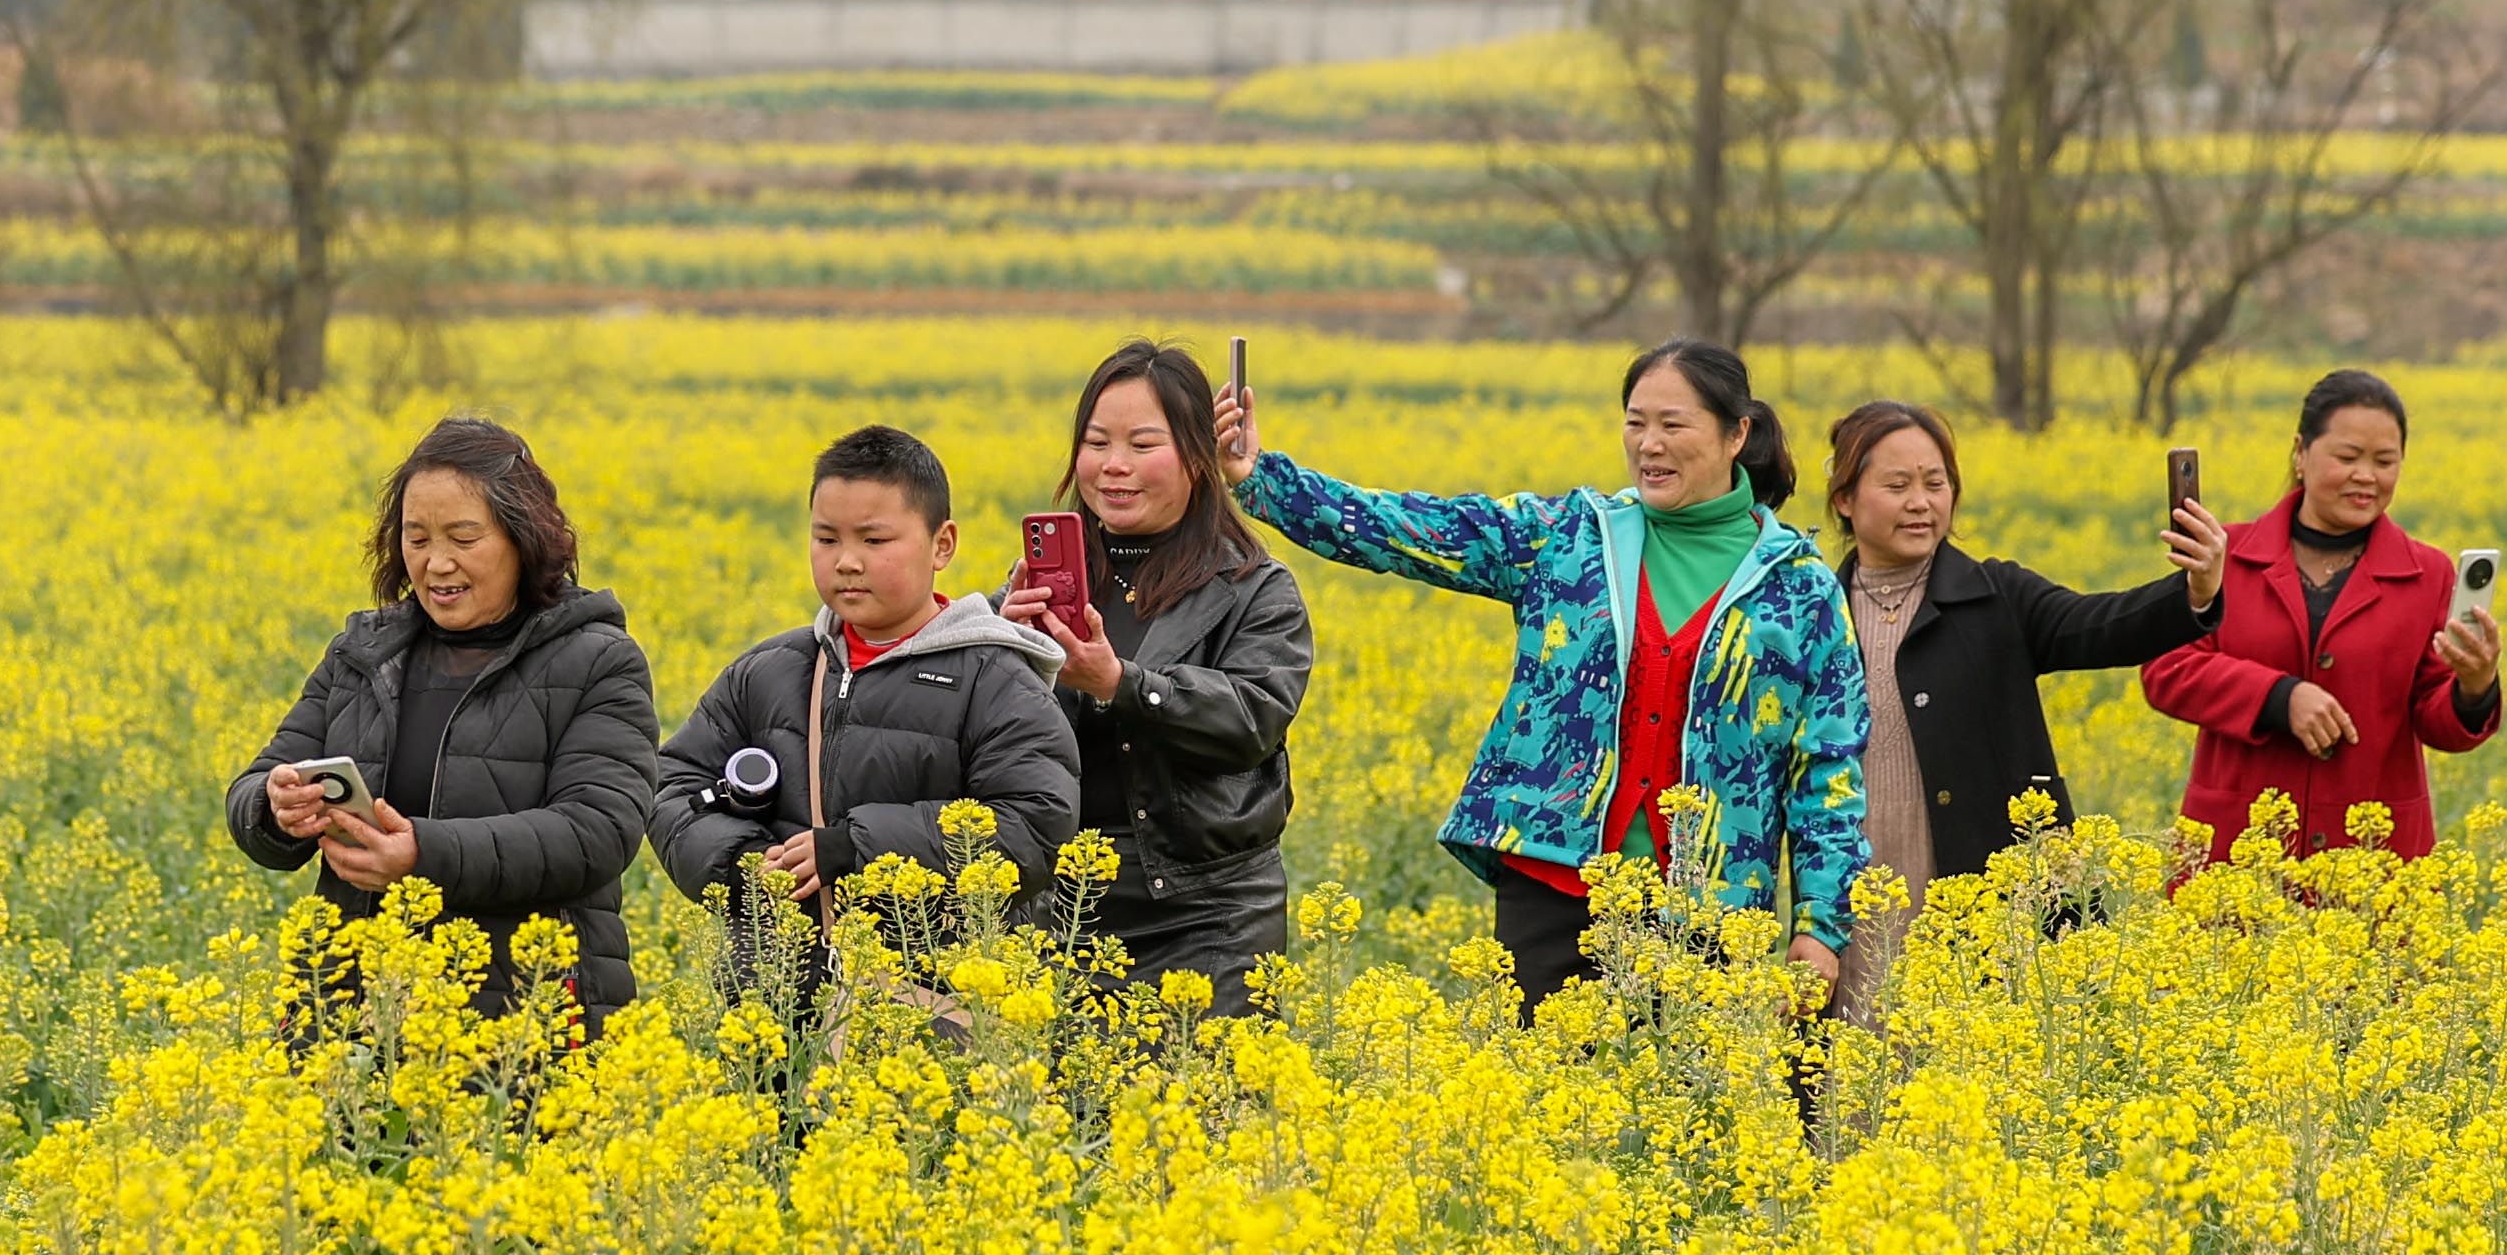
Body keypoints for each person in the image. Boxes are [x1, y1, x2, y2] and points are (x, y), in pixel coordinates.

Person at [1225, 340, 1866, 1013]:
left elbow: (1828, 770)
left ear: (1736, 433)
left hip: (1709, 907)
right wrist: (1259, 478)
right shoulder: (1568, 538)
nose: (1649, 444)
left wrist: (1821, 926)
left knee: (1685, 1107)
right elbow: (1413, 531)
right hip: (1556, 886)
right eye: (1635, 422)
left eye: (1673, 425)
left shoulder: (1799, 589)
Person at [229, 415, 663, 1020]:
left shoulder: (596, 661)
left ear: (523, 536)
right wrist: (272, 807)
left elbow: (597, 831)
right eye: (417, 538)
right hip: (355, 1009)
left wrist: (422, 858)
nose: (436, 564)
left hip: (520, 1018)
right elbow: (261, 782)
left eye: (463, 538)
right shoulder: (364, 654)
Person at [1821, 395, 2227, 998]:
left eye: (1936, 483)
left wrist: (2195, 588)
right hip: (1855, 899)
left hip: (1987, 903)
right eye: (1897, 484)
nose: (1920, 503)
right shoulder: (1814, 614)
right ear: (1845, 500)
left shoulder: (1994, 598)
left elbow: (2101, 623)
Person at [654, 422, 1081, 954]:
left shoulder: (994, 679)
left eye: (874, 540)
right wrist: (749, 867)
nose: (847, 561)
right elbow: (675, 784)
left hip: (936, 999)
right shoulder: (771, 670)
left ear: (941, 545)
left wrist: (854, 848)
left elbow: (1034, 824)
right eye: (826, 538)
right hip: (778, 997)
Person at [1026, 339, 1311, 1009]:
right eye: (1096, 443)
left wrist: (1122, 684)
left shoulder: (1254, 589)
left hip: (1210, 917)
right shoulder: (1049, 587)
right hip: (1069, 914)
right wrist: (1006, 649)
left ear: (1197, 455)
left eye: (1142, 445)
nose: (1114, 466)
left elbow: (1252, 717)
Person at [2141, 365, 2505, 865]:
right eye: (2348, 456)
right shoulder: (2226, 554)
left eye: (2385, 461)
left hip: (2375, 862)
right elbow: (2167, 670)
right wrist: (2277, 697)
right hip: (2236, 858)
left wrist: (2474, 688)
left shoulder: (2427, 573)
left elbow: (2437, 719)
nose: (2367, 477)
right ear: (2300, 451)